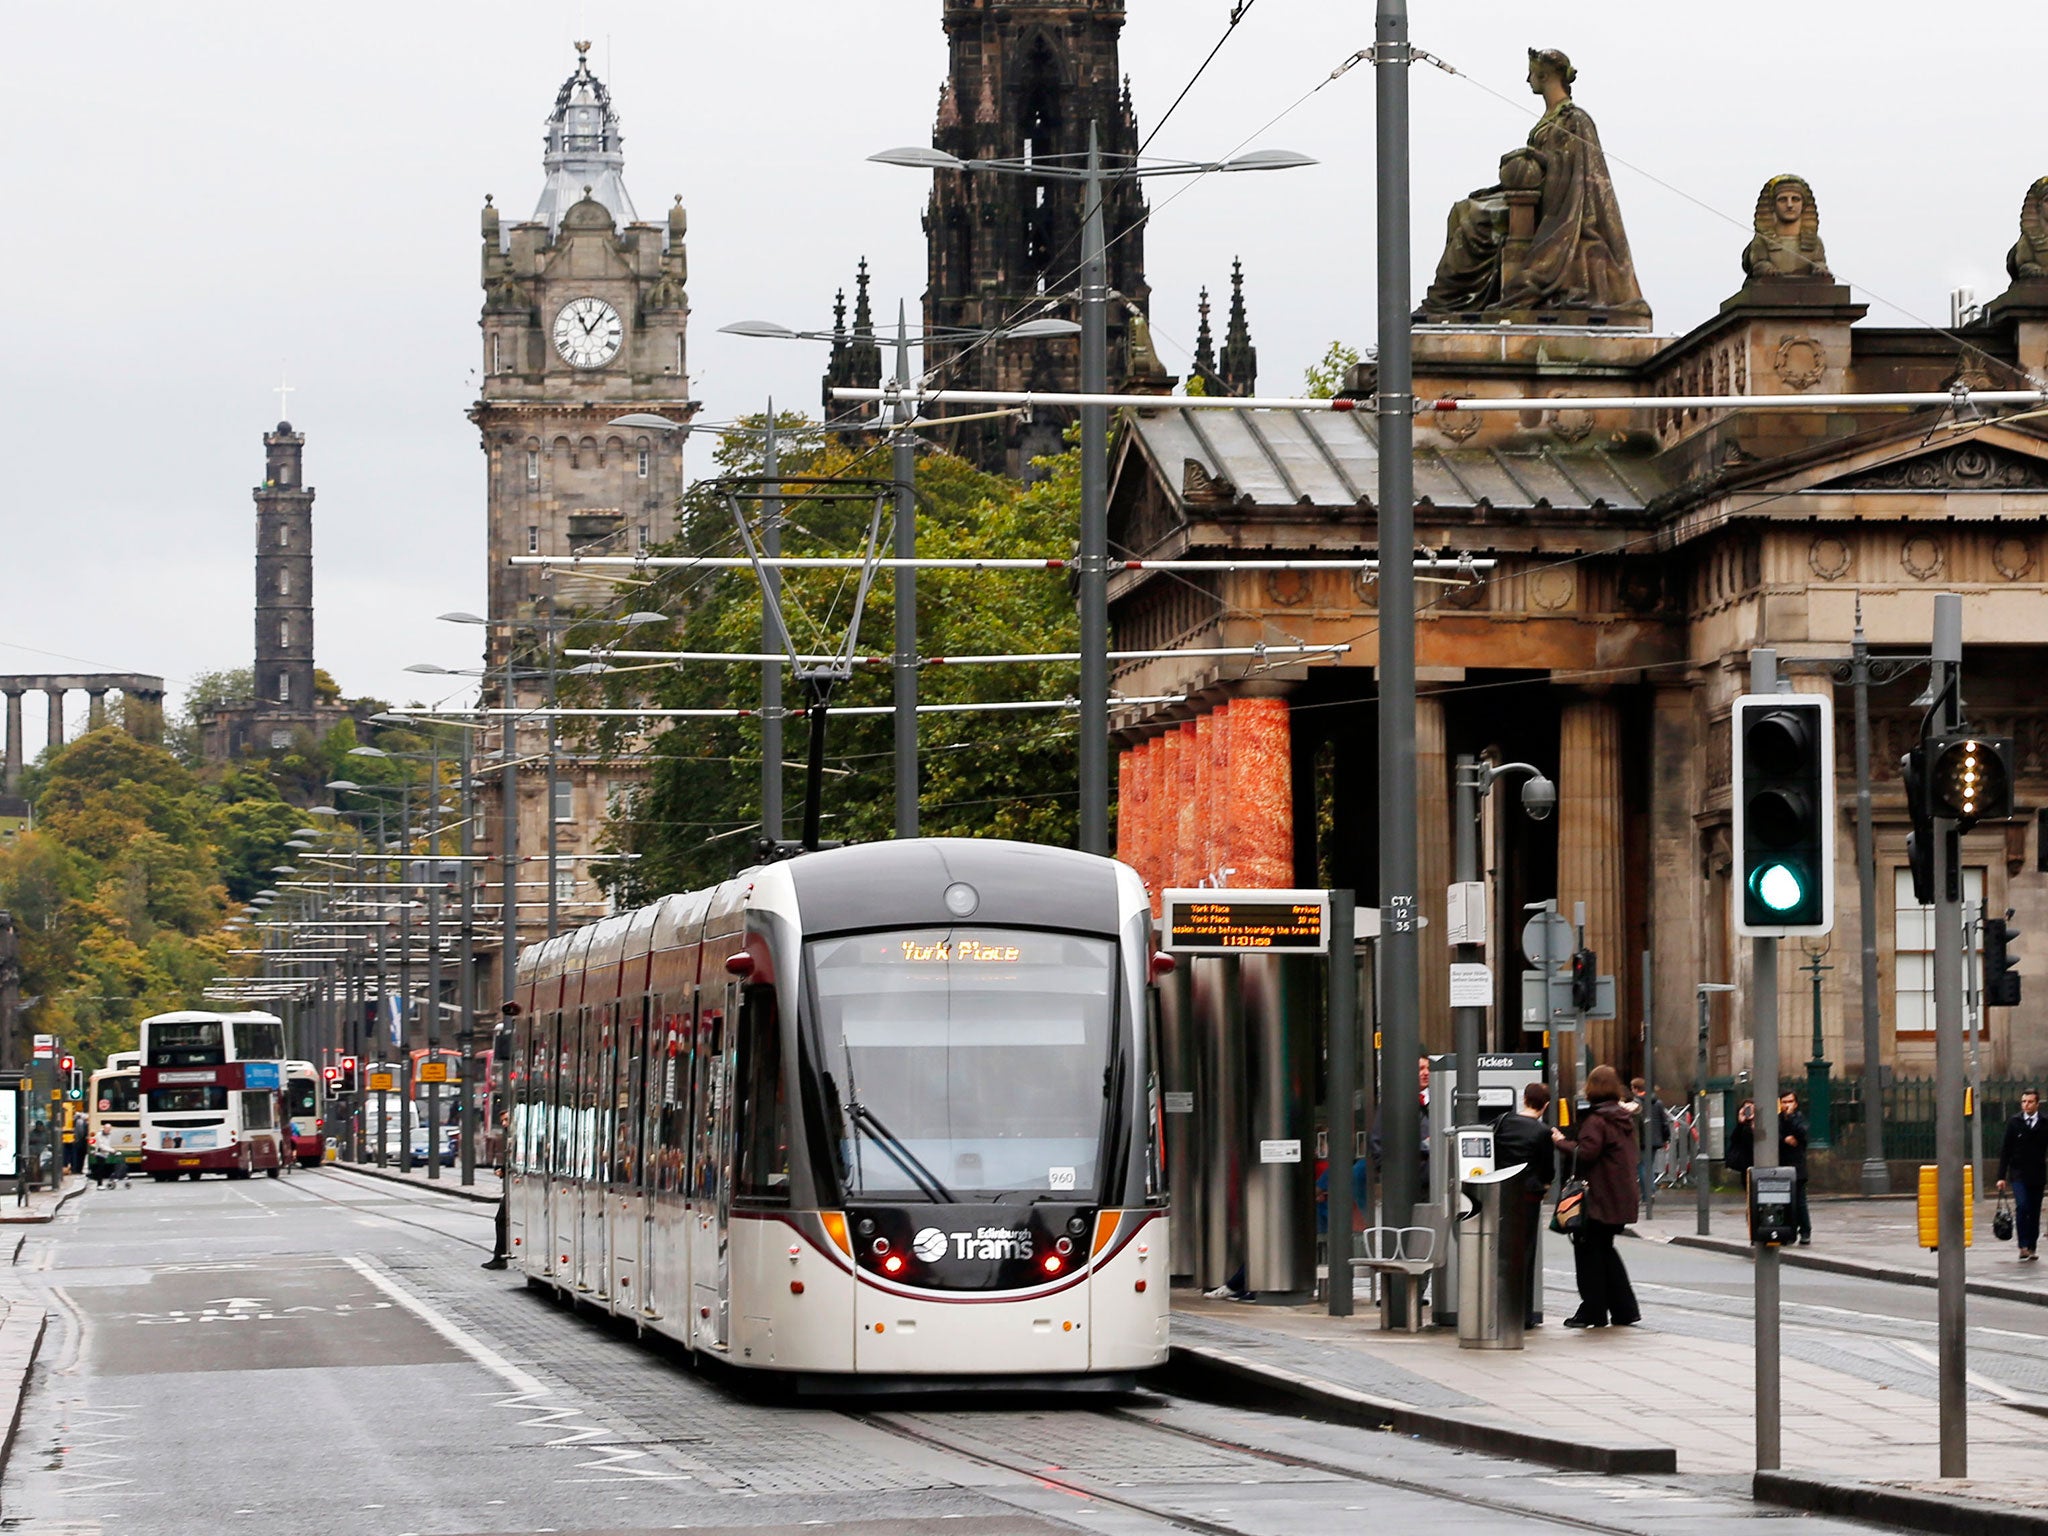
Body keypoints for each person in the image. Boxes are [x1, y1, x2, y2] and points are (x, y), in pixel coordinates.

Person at [1549, 1064, 1640, 1328]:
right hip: (1618, 1198)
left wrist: (1559, 1141)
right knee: (1604, 1250)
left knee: (1589, 1254)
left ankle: (1594, 1311)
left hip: (1597, 1200)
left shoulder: (1597, 1120)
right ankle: (1624, 1310)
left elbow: (1586, 1152)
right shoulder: (1622, 1119)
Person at [1493, 1081, 1555, 1328]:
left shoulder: (1503, 1121)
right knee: (1524, 1253)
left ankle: (1498, 1308)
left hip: (1499, 1192)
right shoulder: (1541, 1133)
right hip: (1527, 1197)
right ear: (1546, 1105)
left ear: (1524, 1099)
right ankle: (1522, 1313)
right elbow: (1547, 1169)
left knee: (1500, 1252)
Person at [1996, 1088, 2048, 1262]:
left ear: (2037, 1104)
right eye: (2024, 1101)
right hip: (2018, 1173)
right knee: (2023, 1206)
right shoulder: (2015, 1122)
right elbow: (2006, 1150)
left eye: (2030, 1101)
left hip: (2038, 1174)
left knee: (2034, 1211)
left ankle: (2032, 1246)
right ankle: (2023, 1245)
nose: (2026, 1105)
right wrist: (2001, 1176)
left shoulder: (2045, 1122)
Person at [1779, 1091, 1811, 1245]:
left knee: (1799, 1201)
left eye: (1790, 1101)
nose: (1787, 1105)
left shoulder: (1799, 1118)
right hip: (1781, 1165)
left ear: (1795, 1103)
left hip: (1797, 1167)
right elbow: (1774, 1135)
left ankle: (1805, 1231)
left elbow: (1802, 1133)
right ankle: (1787, 1232)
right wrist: (1785, 1139)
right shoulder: (1777, 1120)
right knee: (1784, 1203)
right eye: (1784, 1102)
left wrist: (1791, 1117)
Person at [1630, 1077, 1670, 1201]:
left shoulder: (1636, 1104)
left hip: (1641, 1140)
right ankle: (1650, 1191)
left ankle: (1648, 1193)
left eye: (1632, 1088)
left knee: (1642, 1166)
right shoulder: (1658, 1102)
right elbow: (1664, 1122)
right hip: (1656, 1139)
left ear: (1636, 1089)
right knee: (1649, 1165)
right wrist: (1666, 1138)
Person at [1726, 1099, 1756, 1183]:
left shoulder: (1761, 1123)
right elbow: (1735, 1139)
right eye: (1747, 1109)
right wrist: (1741, 1123)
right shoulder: (1742, 1126)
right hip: (1746, 1164)